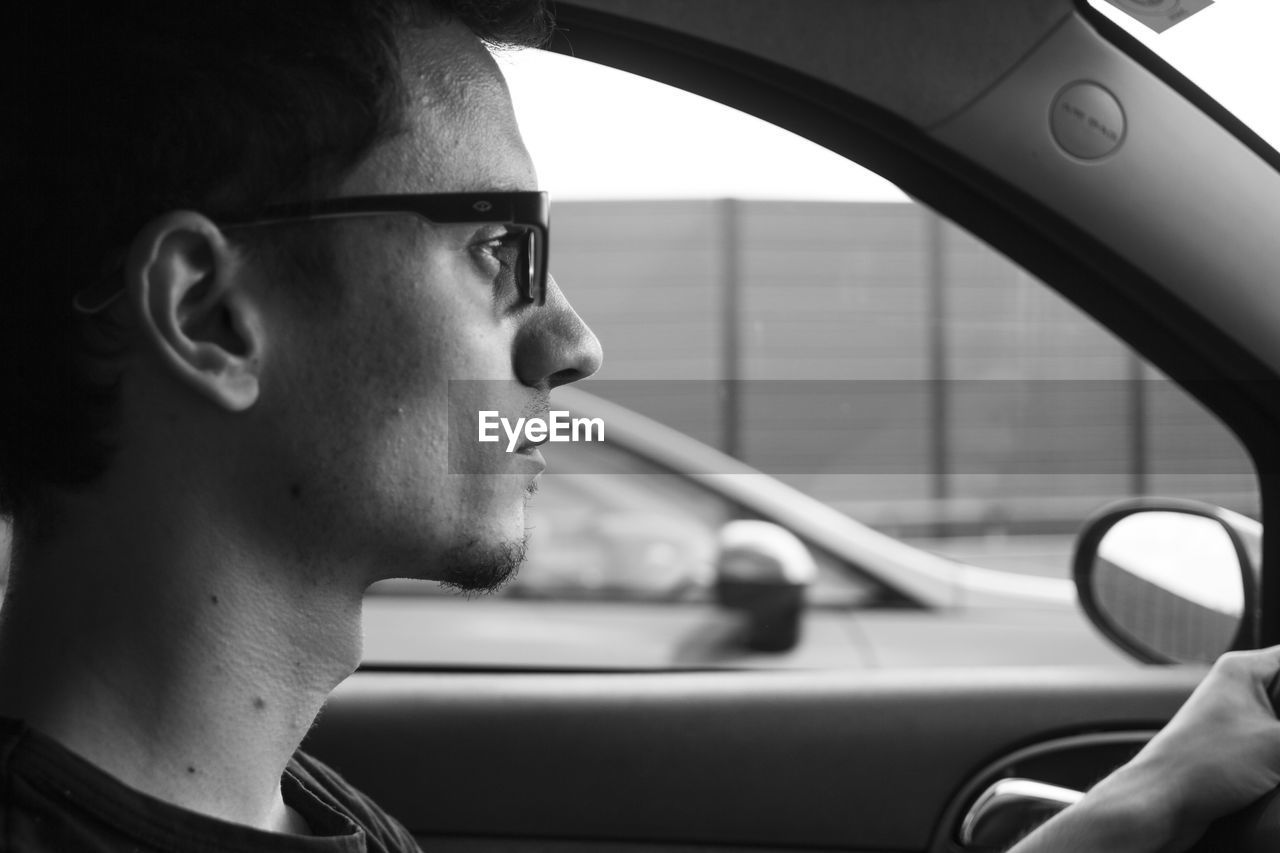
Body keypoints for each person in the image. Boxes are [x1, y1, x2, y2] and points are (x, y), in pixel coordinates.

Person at [0, 3, 1277, 852]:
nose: (572, 344)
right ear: (213, 313)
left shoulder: (281, 804)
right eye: (500, 247)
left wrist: (1127, 816)